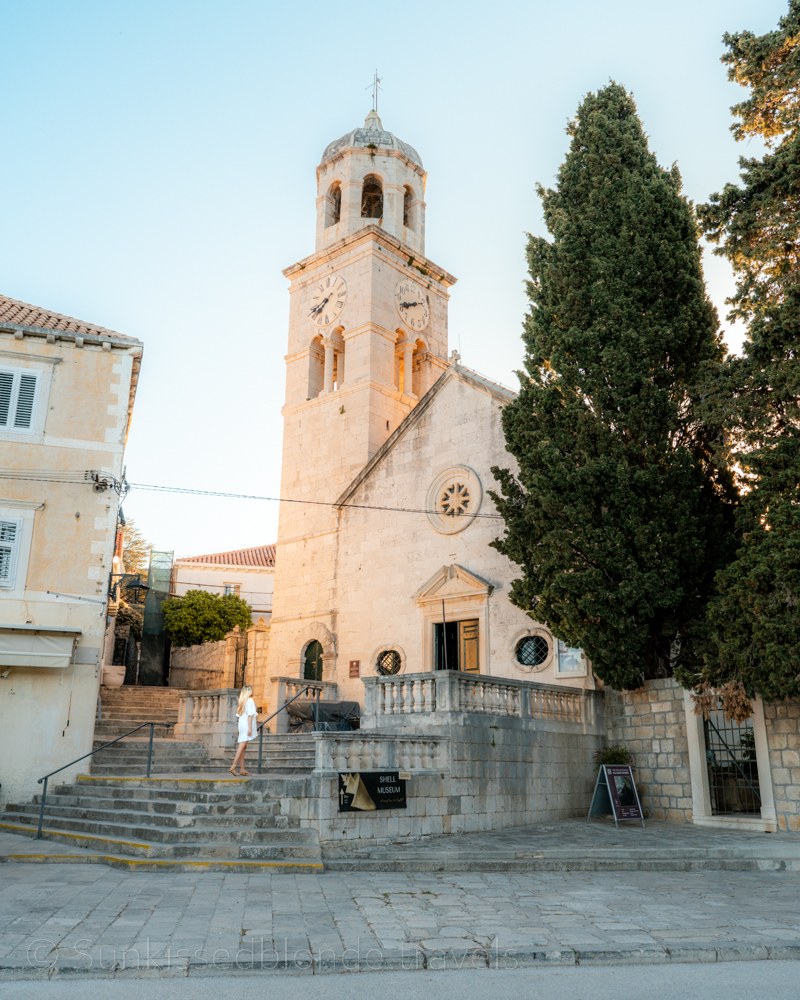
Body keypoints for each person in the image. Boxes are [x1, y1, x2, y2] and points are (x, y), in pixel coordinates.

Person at [230, 684, 257, 776]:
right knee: (242, 746)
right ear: (249, 691)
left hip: (242, 725)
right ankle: (233, 766)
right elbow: (250, 715)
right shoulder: (250, 701)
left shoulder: (242, 701)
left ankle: (242, 769)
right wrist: (250, 728)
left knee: (243, 747)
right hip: (246, 725)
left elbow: (240, 716)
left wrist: (239, 729)